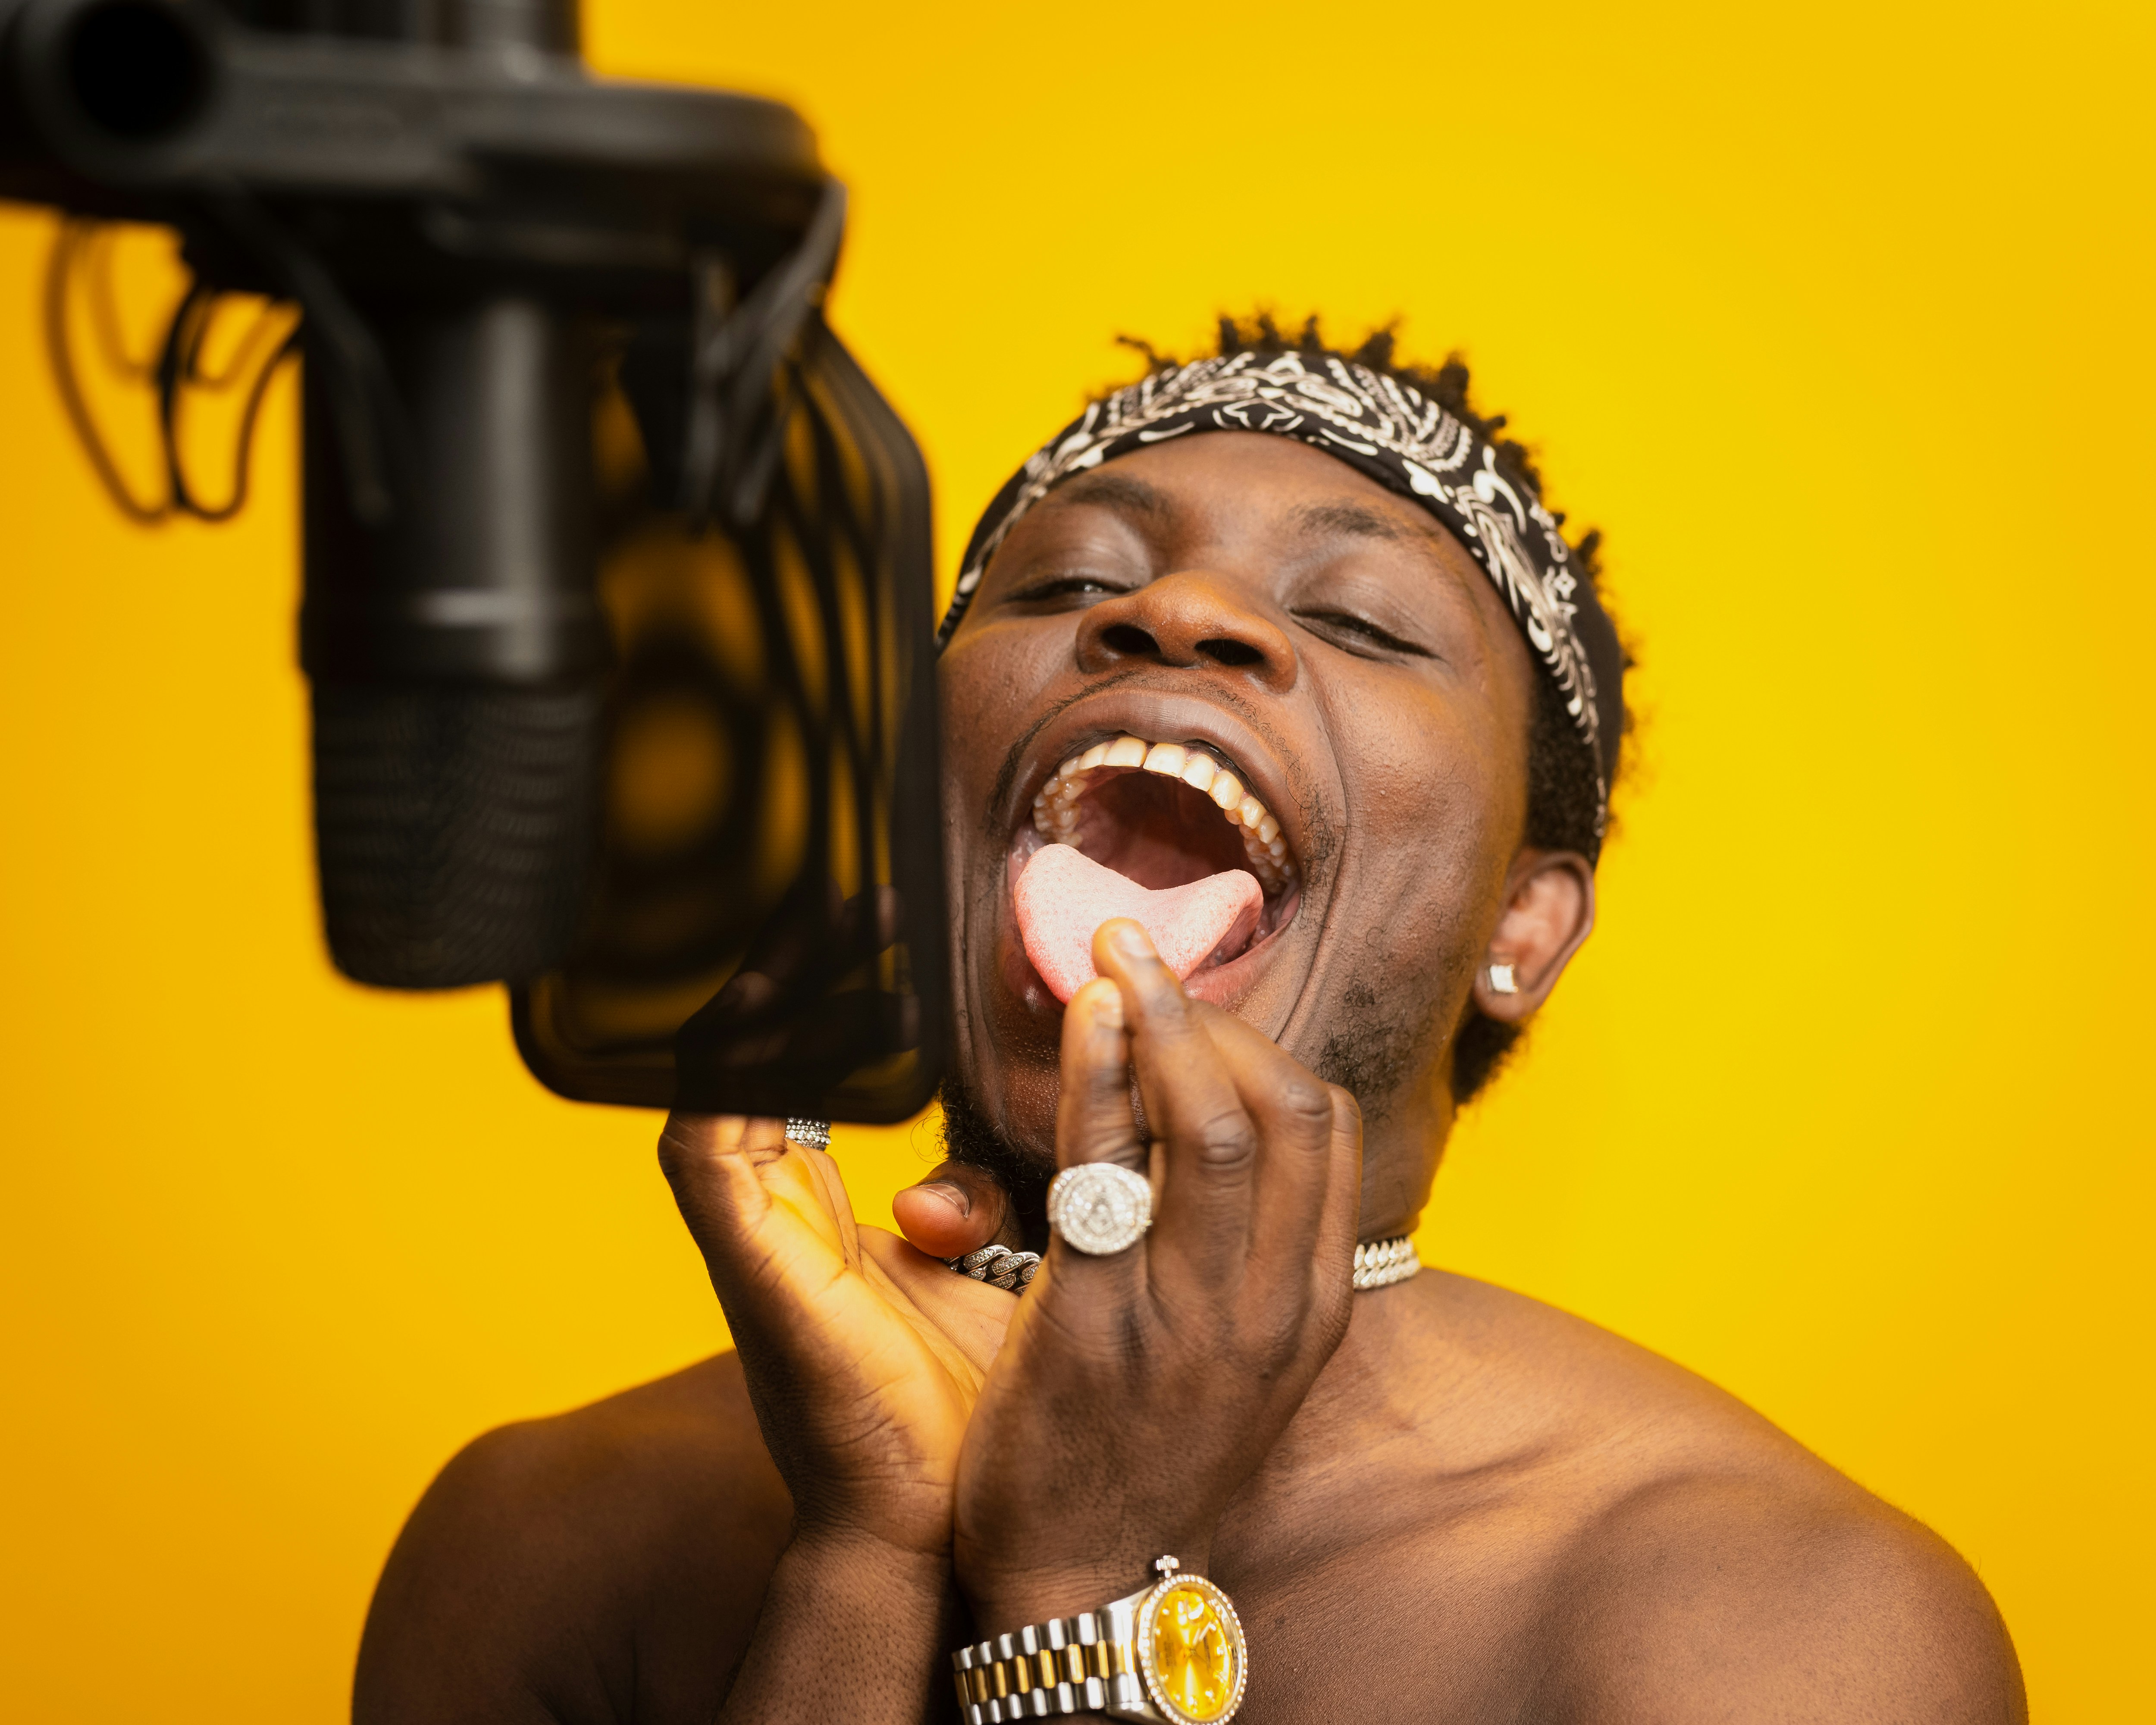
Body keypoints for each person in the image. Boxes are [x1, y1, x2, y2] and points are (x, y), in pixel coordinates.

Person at [353, 319, 2025, 1724]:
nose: (1177, 616)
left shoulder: (1775, 1629)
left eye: (1359, 623)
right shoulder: (537, 1541)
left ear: (1521, 924)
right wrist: (864, 1560)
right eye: (1065, 581)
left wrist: (1072, 1593)